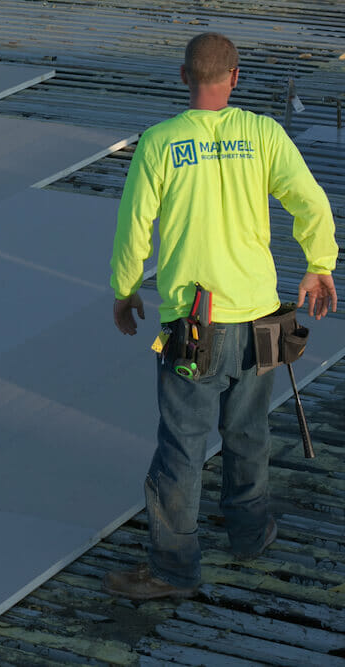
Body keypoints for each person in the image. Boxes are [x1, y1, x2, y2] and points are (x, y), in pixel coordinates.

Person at [103, 32, 339, 599]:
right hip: (260, 322)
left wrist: (125, 288)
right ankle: (250, 535)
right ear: (235, 78)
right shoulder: (262, 134)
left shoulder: (160, 143)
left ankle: (173, 569)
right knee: (249, 432)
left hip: (193, 328)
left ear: (184, 77)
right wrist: (319, 265)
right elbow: (311, 200)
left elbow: (135, 226)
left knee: (182, 449)